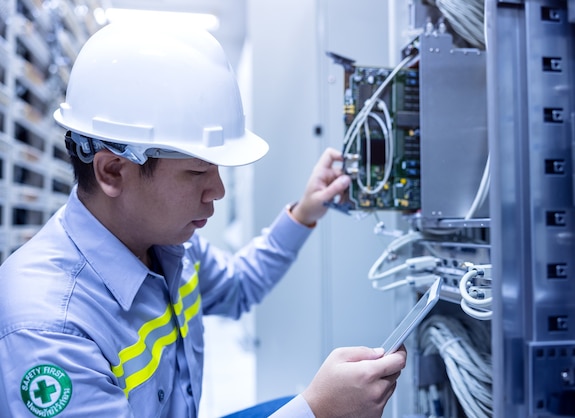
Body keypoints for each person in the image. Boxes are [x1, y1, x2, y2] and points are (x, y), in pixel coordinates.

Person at [0, 23, 406, 417]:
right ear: (112, 171)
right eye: (196, 172)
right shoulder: (48, 329)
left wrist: (304, 213)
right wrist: (315, 412)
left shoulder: (165, 242)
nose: (218, 191)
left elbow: (237, 287)